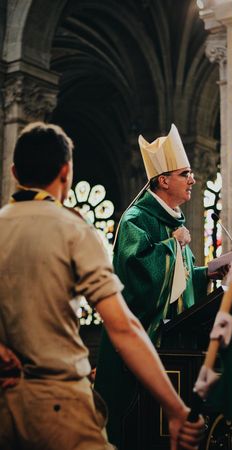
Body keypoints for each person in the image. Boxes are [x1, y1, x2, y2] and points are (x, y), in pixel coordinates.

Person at [0, 122, 205, 450]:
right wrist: (176, 408)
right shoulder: (74, 230)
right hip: (58, 399)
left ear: (14, 172)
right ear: (66, 172)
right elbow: (122, 326)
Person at [95, 124, 227, 447]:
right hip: (140, 355)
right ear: (164, 180)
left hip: (176, 346)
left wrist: (210, 270)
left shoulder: (172, 220)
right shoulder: (136, 221)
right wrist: (171, 244)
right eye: (186, 173)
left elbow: (177, 289)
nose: (193, 180)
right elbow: (139, 282)